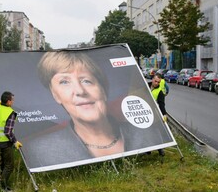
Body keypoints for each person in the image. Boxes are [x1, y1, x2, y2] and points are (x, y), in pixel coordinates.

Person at [26, 51, 169, 169]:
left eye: (86, 80)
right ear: (55, 95)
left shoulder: (147, 133)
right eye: (64, 82)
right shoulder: (39, 150)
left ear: (104, 89)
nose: (80, 91)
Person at [149, 74, 166, 156]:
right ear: (152, 79)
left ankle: (160, 149)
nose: (156, 83)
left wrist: (164, 115)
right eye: (155, 81)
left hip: (153, 114)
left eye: (158, 82)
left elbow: (161, 105)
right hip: (143, 112)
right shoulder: (145, 85)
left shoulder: (160, 92)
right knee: (145, 131)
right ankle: (147, 150)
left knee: (155, 131)